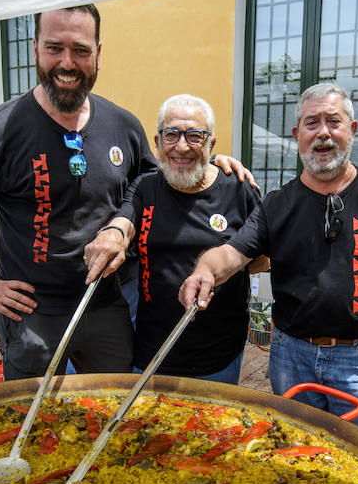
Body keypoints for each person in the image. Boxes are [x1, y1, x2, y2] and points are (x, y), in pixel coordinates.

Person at [0, 4, 252, 382]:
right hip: (32, 315)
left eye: (81, 50)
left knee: (111, 415)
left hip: (107, 308)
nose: (67, 63)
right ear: (35, 47)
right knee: (34, 422)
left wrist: (208, 162)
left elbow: (159, 185)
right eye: (55, 48)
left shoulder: (122, 124)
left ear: (98, 54)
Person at [181, 83, 358, 445]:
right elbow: (232, 253)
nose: (323, 132)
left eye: (333, 122)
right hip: (292, 357)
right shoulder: (277, 204)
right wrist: (204, 270)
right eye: (311, 123)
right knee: (294, 455)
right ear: (297, 136)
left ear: (352, 130)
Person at [85, 94, 264, 384]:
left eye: (195, 136)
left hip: (219, 355)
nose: (182, 146)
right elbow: (125, 219)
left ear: (211, 144)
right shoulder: (146, 187)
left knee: (213, 428)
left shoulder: (239, 189)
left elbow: (261, 259)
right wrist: (112, 235)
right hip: (151, 351)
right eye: (171, 135)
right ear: (157, 143)